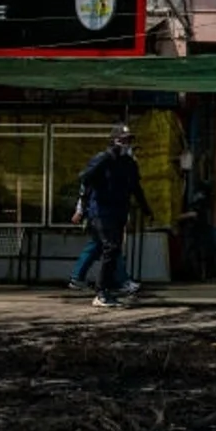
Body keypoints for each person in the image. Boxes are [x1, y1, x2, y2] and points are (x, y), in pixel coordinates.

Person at [78, 124, 154, 308]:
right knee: (110, 247)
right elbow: (84, 178)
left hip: (119, 211)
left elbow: (136, 188)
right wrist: (82, 208)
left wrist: (146, 209)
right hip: (101, 211)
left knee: (114, 249)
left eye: (129, 140)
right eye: (123, 140)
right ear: (114, 140)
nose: (126, 144)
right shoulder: (103, 159)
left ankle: (109, 288)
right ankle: (101, 291)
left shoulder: (129, 164)